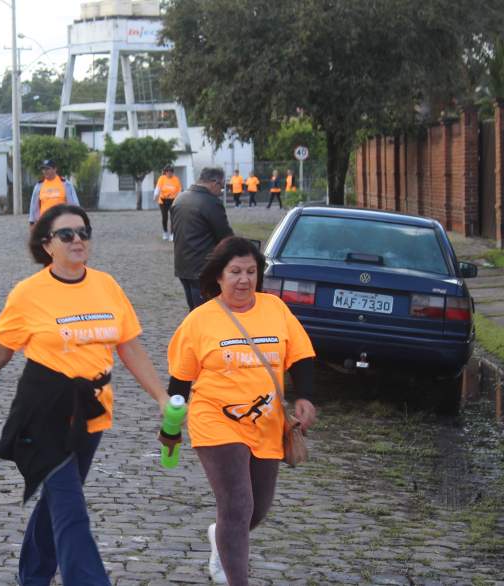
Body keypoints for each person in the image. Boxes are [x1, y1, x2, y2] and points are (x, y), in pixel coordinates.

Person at [0, 204, 168, 586]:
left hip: (92, 411)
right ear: (47, 245)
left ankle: (32, 575)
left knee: (58, 502)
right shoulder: (29, 294)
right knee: (71, 509)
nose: (78, 239)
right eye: (67, 234)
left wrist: (161, 398)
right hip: (43, 411)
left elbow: (129, 347)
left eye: (84, 232)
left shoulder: (107, 286)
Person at [164, 236, 318, 585]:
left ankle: (221, 536)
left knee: (256, 509)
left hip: (267, 422)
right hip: (215, 420)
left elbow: (301, 355)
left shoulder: (275, 309)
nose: (244, 280)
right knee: (237, 503)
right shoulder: (200, 321)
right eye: (234, 272)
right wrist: (171, 428)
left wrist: (306, 397)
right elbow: (180, 383)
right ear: (219, 276)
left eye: (251, 271)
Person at [170, 167, 234, 311]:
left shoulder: (179, 199)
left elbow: (174, 230)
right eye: (222, 186)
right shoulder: (211, 202)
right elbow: (225, 236)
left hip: (182, 266)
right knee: (207, 312)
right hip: (203, 268)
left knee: (194, 310)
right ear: (214, 182)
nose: (221, 191)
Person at [27, 159, 79, 226]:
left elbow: (74, 204)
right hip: (44, 223)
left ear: (55, 169)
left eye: (48, 169)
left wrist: (76, 220)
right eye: (43, 169)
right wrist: (32, 222)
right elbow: (34, 206)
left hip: (62, 222)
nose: (45, 171)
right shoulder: (39, 186)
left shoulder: (66, 184)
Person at [154, 164, 183, 241]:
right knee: (164, 217)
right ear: (165, 172)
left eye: (171, 171)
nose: (169, 173)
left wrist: (179, 199)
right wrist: (155, 195)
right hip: (163, 200)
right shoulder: (162, 178)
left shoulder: (176, 179)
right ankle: (165, 232)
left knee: (173, 217)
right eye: (167, 171)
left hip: (172, 200)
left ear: (172, 172)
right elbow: (158, 188)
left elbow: (179, 190)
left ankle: (172, 234)